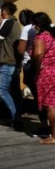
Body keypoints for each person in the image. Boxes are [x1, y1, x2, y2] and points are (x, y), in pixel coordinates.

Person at [0, 1, 22, 129]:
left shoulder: (7, 22)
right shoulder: (16, 23)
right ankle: (17, 117)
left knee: (2, 90)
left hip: (8, 62)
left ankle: (16, 118)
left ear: (3, 12)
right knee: (15, 91)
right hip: (16, 62)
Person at [31, 12, 55, 144]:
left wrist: (36, 67)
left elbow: (39, 54)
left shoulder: (41, 38)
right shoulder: (53, 34)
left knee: (51, 105)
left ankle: (54, 136)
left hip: (47, 74)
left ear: (38, 24)